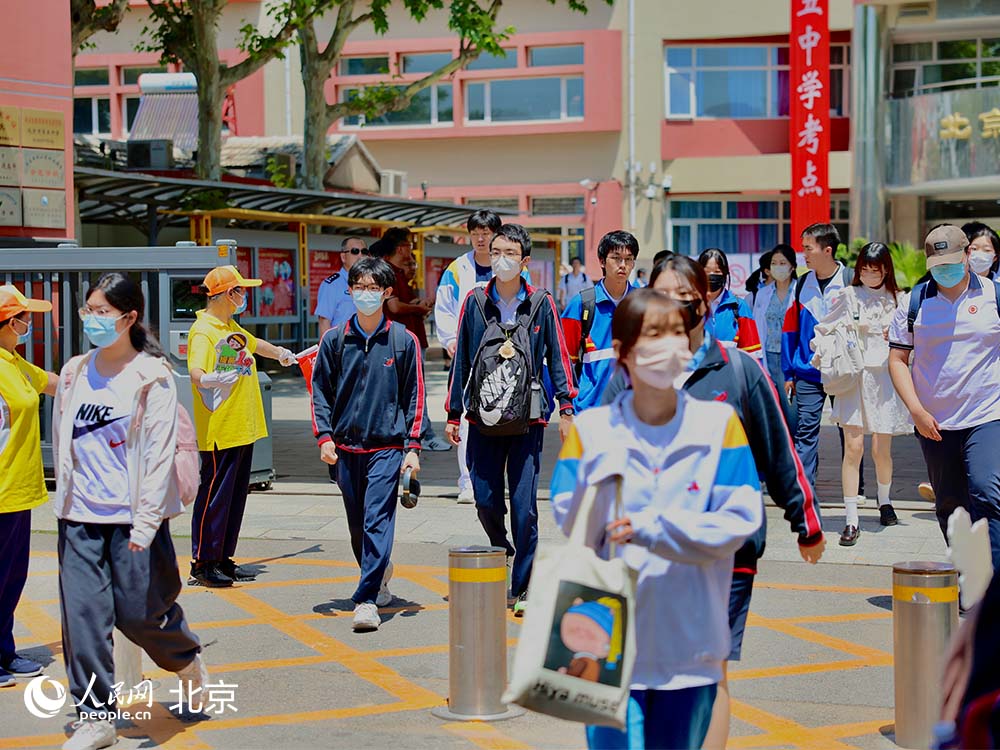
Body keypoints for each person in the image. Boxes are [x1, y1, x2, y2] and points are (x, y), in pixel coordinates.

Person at [603, 256, 824, 748]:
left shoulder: (739, 369)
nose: (676, 309)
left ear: (706, 301)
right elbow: (597, 453)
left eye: (687, 298)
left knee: (709, 666)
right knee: (647, 664)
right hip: (643, 552)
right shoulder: (628, 371)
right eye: (663, 298)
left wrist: (805, 521)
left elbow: (780, 448)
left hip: (725, 552)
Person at [552, 289, 763, 750]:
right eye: (654, 334)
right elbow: (569, 515)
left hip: (690, 646)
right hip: (608, 647)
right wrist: (600, 487)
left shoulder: (718, 425)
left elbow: (739, 519)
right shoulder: (592, 430)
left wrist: (653, 528)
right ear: (624, 352)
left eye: (676, 332)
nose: (670, 344)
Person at [52, 273, 205, 750]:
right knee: (83, 617)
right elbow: (64, 438)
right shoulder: (76, 370)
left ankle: (185, 659)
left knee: (140, 615)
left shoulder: (152, 376)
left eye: (102, 313)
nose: (92, 321)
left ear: (129, 318)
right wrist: (64, 502)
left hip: (134, 519)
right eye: (88, 311)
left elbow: (158, 452)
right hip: (81, 516)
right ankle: (95, 717)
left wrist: (144, 523)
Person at [445, 223, 577, 616]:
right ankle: (501, 547)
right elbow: (463, 362)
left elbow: (559, 357)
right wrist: (453, 414)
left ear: (524, 261)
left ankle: (524, 585)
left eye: (509, 253)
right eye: (496, 251)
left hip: (528, 421)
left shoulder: (540, 303)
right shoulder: (474, 302)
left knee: (524, 506)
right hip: (482, 419)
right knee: (485, 498)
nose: (500, 258)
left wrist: (567, 407)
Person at [310, 257, 424, 632]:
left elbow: (414, 397)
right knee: (358, 525)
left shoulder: (403, 341)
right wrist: (324, 436)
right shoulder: (334, 339)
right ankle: (378, 571)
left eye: (374, 289)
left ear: (387, 293)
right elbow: (320, 392)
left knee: (377, 520)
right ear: (350, 291)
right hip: (344, 448)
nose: (366, 295)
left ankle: (366, 599)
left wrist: (412, 447)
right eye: (359, 287)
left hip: (386, 447)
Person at [889, 224, 1000, 570]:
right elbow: (897, 360)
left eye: (952, 261)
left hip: (987, 415)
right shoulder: (914, 303)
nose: (946, 270)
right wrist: (916, 411)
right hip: (934, 421)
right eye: (938, 264)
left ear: (968, 256)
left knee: (987, 492)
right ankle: (971, 578)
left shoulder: (994, 296)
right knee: (951, 505)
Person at [187, 265, 297, 587]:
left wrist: (280, 354)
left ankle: (223, 558)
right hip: (220, 430)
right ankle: (203, 563)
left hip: (241, 427)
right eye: (239, 291)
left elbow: (254, 343)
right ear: (224, 294)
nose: (243, 296)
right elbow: (195, 370)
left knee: (234, 499)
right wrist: (208, 379)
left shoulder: (229, 326)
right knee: (214, 497)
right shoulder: (204, 330)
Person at [822, 243, 911, 546]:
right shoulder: (848, 296)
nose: (870, 275)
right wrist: (842, 333)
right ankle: (850, 519)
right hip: (855, 378)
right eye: (864, 269)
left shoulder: (899, 299)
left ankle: (884, 501)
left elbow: (914, 338)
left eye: (876, 270)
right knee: (854, 447)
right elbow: (823, 330)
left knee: (881, 449)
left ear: (886, 269)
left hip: (885, 378)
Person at [0, 285, 56, 688]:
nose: (28, 323)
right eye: (24, 317)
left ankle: (4, 651)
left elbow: (51, 382)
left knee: (11, 578)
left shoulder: (14, 362)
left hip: (17, 488)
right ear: (7, 322)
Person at [434, 209, 504, 504]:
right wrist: (451, 340)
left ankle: (492, 479)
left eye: (486, 233)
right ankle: (466, 480)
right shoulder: (457, 269)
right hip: (467, 356)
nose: (480, 238)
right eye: (475, 232)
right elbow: (445, 306)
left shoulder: (511, 266)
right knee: (463, 417)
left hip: (502, 355)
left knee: (500, 418)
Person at [781, 223, 855, 490]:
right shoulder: (801, 284)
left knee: (849, 430)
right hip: (808, 372)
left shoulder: (851, 280)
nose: (804, 254)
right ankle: (804, 489)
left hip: (843, 369)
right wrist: (788, 371)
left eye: (808, 248)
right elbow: (790, 330)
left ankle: (853, 486)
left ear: (828, 250)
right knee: (805, 432)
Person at [561, 230, 639, 412]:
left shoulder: (642, 303)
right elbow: (564, 362)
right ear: (602, 261)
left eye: (628, 259)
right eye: (616, 258)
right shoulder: (581, 304)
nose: (623, 265)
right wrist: (566, 409)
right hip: (590, 410)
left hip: (635, 412)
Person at [753, 244, 798, 425]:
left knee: (793, 410)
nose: (778, 267)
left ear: (792, 266)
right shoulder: (763, 294)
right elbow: (758, 327)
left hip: (791, 359)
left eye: (782, 262)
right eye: (774, 263)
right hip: (769, 357)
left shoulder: (800, 291)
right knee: (774, 409)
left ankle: (797, 451)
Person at [698, 248, 761, 356]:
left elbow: (753, 354)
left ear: (725, 273)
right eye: (706, 271)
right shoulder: (691, 305)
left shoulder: (739, 307)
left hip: (730, 371)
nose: (711, 275)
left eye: (717, 271)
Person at [315, 237, 368, 337]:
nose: (361, 256)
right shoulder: (332, 285)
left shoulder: (371, 283)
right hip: (342, 346)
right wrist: (328, 351)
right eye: (355, 251)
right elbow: (324, 322)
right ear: (343, 257)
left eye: (364, 252)